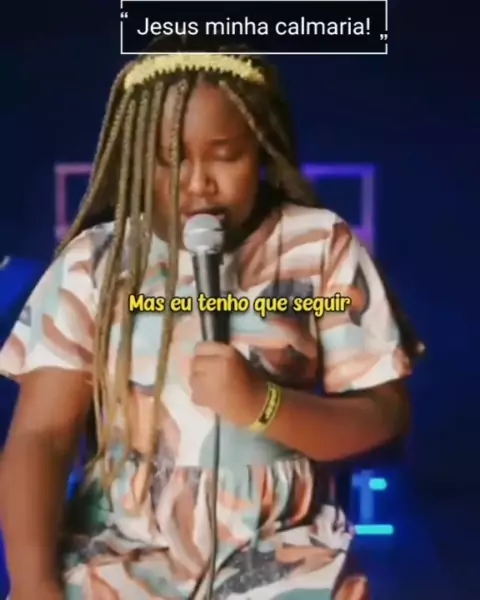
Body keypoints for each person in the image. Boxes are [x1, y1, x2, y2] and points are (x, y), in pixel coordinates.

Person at [0, 35, 423, 599]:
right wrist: (33, 583)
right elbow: (43, 437)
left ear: (262, 149)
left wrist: (263, 404)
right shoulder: (96, 263)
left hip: (282, 551)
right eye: (169, 159)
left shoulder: (319, 246)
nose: (198, 181)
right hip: (122, 549)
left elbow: (384, 415)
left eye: (226, 155)